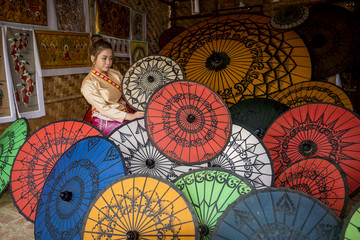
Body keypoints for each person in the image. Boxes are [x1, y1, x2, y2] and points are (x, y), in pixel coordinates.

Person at [81, 35, 144, 135]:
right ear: (93, 58)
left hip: (124, 113)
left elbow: (128, 89)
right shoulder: (88, 83)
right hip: (106, 121)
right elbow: (103, 109)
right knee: (135, 133)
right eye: (104, 58)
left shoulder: (115, 73)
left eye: (110, 58)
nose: (108, 62)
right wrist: (131, 117)